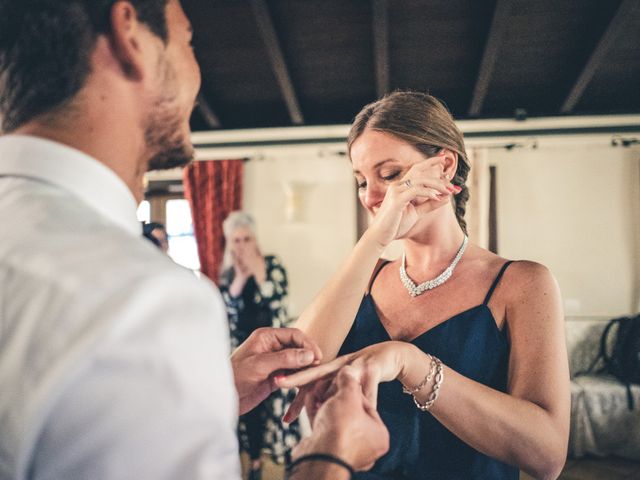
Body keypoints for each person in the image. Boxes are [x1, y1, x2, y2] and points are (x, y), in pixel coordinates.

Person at [0, 1, 388, 479]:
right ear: (131, 38)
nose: (196, 71)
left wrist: (214, 389)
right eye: (187, 41)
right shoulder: (146, 300)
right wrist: (329, 455)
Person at [278, 91, 571, 479]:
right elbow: (299, 361)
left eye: (389, 175)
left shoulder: (523, 283)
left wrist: (412, 364)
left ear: (445, 165)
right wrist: (375, 240)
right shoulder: (365, 275)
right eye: (362, 181)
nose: (371, 196)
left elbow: (547, 457)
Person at [219, 211, 300, 478]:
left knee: (277, 403)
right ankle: (254, 462)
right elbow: (228, 308)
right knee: (248, 411)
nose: (241, 245)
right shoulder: (229, 272)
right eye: (236, 241)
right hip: (242, 349)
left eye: (246, 239)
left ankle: (285, 459)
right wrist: (241, 277)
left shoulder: (272, 264)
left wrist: (259, 273)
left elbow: (279, 299)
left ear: (255, 239)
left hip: (274, 347)